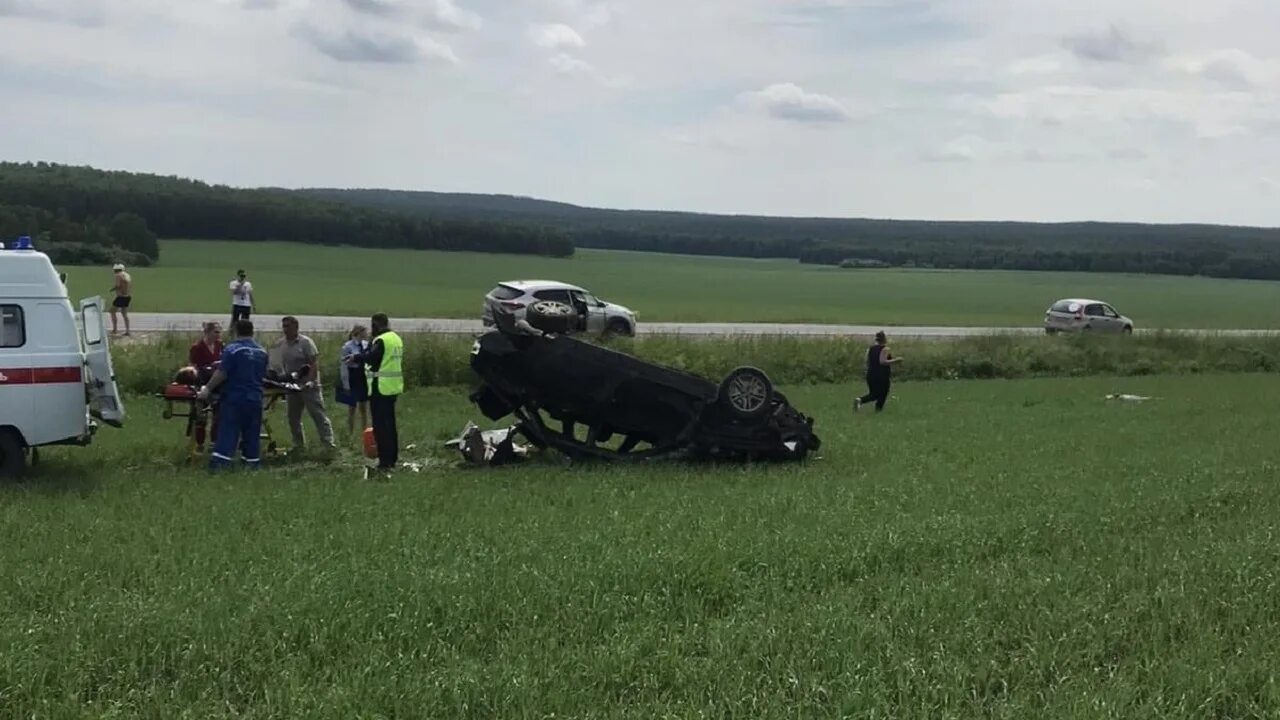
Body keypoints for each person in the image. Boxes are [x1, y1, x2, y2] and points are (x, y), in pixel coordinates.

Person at [198, 320, 269, 470]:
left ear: (235, 331)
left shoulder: (233, 350)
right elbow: (263, 375)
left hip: (236, 397)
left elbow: (221, 373)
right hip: (255, 398)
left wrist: (207, 389)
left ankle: (220, 466)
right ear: (252, 332)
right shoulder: (262, 351)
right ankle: (252, 465)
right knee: (252, 433)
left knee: (228, 431)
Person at [353, 313, 404, 474]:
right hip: (392, 387)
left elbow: (372, 358)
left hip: (380, 387)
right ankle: (392, 457)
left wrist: (357, 357)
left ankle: (385, 460)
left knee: (381, 427)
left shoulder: (381, 340)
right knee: (390, 425)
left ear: (376, 325)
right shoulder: (395, 338)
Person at [275, 316, 336, 450]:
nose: (285, 329)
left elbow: (313, 364)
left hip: (308, 386)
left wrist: (311, 381)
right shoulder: (281, 344)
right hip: (292, 386)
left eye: (288, 326)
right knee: (293, 418)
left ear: (296, 327)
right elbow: (280, 364)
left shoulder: (306, 343)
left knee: (318, 414)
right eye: (283, 326)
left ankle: (328, 443)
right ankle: (299, 445)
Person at [855, 330, 901, 413]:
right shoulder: (885, 349)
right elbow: (882, 361)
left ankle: (860, 400)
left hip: (871, 374)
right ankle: (878, 409)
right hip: (881, 375)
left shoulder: (870, 349)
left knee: (874, 394)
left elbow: (867, 361)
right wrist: (896, 360)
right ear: (884, 339)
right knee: (883, 392)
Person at [337, 324, 371, 436]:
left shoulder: (366, 345)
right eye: (364, 332)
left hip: (363, 376)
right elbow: (344, 366)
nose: (366, 334)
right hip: (353, 376)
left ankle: (364, 432)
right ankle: (350, 432)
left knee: (364, 407)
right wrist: (345, 383)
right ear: (358, 333)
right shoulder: (347, 347)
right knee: (352, 407)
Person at [109, 263, 132, 336]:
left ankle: (115, 329)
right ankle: (127, 330)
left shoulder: (118, 275)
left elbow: (118, 285)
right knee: (124, 313)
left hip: (121, 296)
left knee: (112, 311)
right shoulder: (127, 275)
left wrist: (112, 289)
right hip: (127, 296)